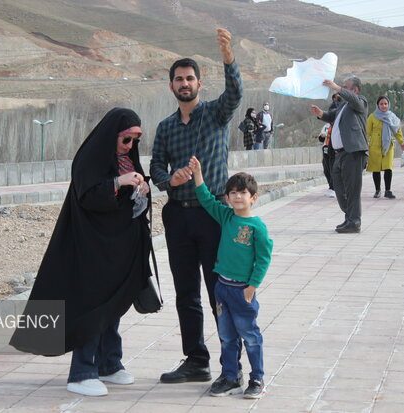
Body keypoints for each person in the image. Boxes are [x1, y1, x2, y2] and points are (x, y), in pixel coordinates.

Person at [10, 108, 152, 397]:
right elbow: (87, 195)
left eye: (136, 140)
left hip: (120, 247)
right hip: (92, 247)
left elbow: (131, 205)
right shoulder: (90, 158)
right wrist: (118, 183)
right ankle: (82, 371)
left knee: (114, 305)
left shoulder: (127, 158)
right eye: (126, 139)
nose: (130, 146)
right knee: (94, 307)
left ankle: (109, 364)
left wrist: (142, 189)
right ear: (112, 135)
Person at [150, 28, 242, 384]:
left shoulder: (215, 115)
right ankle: (195, 360)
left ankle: (230, 366)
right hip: (177, 216)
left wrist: (228, 56)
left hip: (213, 214)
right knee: (186, 293)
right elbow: (156, 165)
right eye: (178, 79)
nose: (184, 83)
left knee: (219, 289)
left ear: (199, 84)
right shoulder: (166, 127)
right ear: (171, 86)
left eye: (190, 78)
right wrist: (168, 179)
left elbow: (235, 93)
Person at [189, 156, 273, 399]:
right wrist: (198, 173)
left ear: (253, 198)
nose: (237, 197)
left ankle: (257, 378)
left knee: (250, 336)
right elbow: (205, 198)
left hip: (242, 291)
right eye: (233, 193)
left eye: (243, 193)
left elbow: (264, 259)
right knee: (227, 337)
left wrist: (252, 287)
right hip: (221, 288)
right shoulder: (226, 216)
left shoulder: (258, 227)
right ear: (226, 198)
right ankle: (230, 376)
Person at [310, 78, 368, 233]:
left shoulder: (360, 102)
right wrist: (320, 113)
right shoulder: (343, 106)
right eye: (341, 87)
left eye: (345, 87)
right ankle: (349, 217)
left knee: (352, 189)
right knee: (339, 187)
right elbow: (331, 116)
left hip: (353, 151)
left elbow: (355, 101)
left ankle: (354, 221)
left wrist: (336, 88)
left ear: (355, 90)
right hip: (340, 153)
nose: (341, 89)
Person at [366, 96, 404, 199]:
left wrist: (402, 142)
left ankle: (388, 190)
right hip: (375, 145)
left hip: (388, 146)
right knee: (376, 168)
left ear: (388, 105)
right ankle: (377, 190)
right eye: (381, 104)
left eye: (385, 104)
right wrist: (364, 145)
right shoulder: (372, 116)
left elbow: (397, 131)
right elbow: (367, 132)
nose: (383, 106)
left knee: (388, 168)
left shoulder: (392, 117)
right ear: (377, 105)